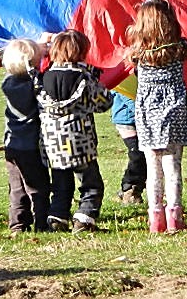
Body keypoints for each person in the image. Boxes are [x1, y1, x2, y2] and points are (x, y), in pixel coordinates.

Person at [128, 0, 187, 233]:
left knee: (153, 169)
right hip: (174, 111)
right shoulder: (179, 49)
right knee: (173, 166)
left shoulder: (137, 54)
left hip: (147, 114)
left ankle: (155, 217)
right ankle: (175, 215)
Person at [38, 30, 113, 233]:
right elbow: (103, 102)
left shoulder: (44, 77)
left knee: (61, 183)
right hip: (79, 141)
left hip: (53, 143)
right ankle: (85, 218)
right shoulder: (84, 77)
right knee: (91, 184)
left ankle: (57, 216)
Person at [1, 39, 51, 233]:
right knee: (38, 186)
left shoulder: (7, 82)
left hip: (11, 145)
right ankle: (41, 221)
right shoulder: (33, 85)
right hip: (31, 145)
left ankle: (18, 223)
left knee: (16, 187)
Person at [110, 92, 147, 205]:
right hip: (126, 118)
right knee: (137, 153)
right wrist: (144, 110)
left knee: (146, 155)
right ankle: (129, 188)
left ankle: (134, 189)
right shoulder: (124, 76)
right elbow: (125, 93)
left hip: (144, 116)